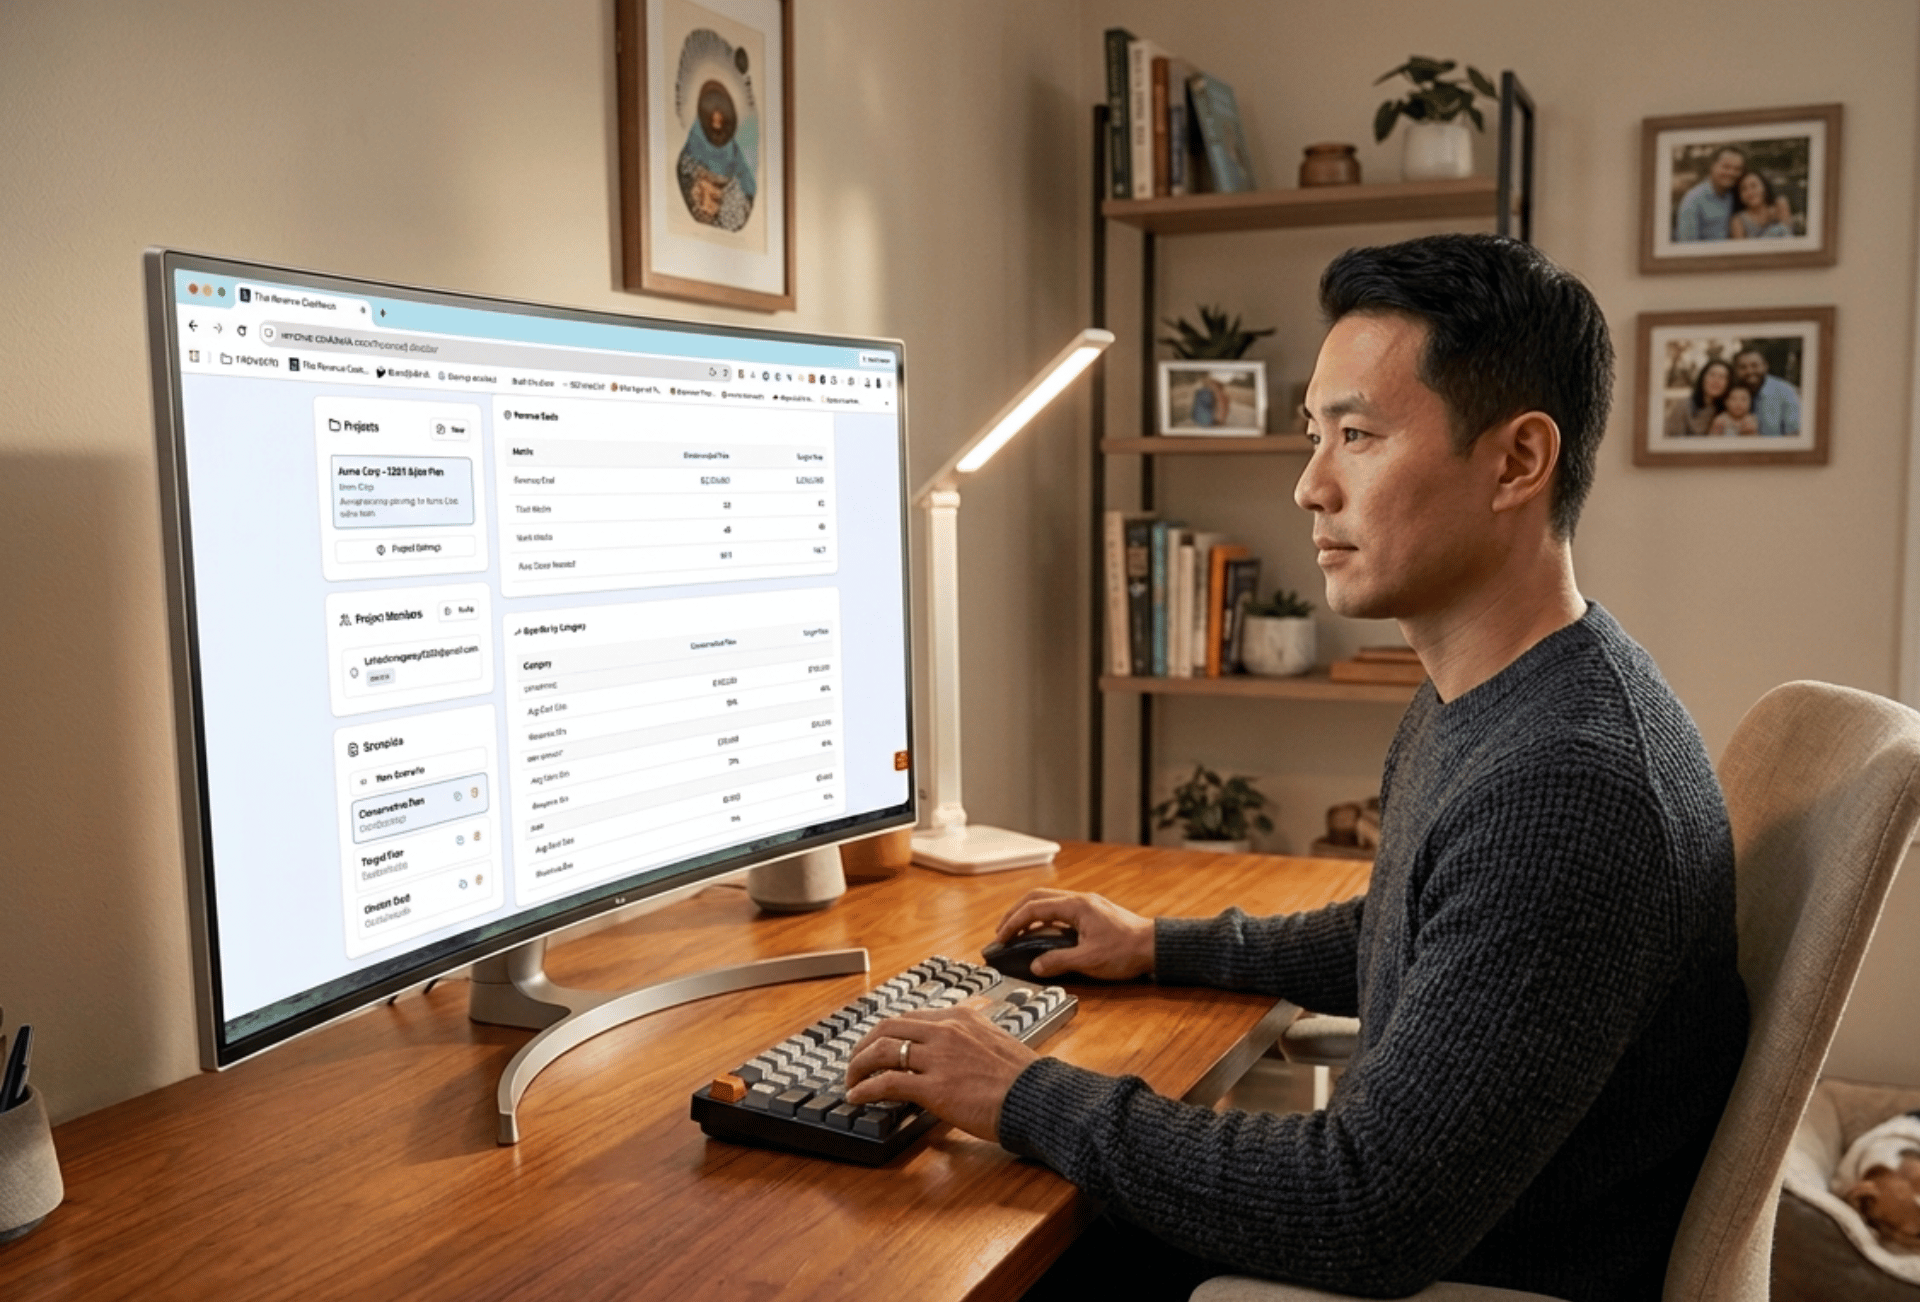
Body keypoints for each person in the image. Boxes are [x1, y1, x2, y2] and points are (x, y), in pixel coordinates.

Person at [843, 233, 1749, 1302]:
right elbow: (1404, 931)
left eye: (1357, 436)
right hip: (1456, 1237)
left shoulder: (1569, 788)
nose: (1309, 487)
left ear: (1518, 461)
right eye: (1315, 436)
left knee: (931, 1247)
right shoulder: (1506, 694)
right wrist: (1156, 944)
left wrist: (1027, 1092)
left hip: (1474, 1277)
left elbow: (1362, 1209)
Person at [677, 78, 756, 232]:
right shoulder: (690, 155)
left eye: (722, 119)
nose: (717, 124)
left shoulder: (734, 155)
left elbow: (747, 192)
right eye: (712, 118)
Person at [1672, 146, 1744, 241]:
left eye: (1737, 169)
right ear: (1712, 166)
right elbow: (1687, 246)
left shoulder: (1733, 194)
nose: (1732, 173)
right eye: (1726, 167)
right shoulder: (1693, 199)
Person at [1733, 347, 1802, 437]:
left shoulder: (1786, 391)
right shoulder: (1732, 392)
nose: (1749, 371)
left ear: (1765, 366)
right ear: (1736, 370)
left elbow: (1794, 434)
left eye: (1754, 365)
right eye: (1743, 367)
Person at [1666, 357, 1734, 438]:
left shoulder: (1730, 410)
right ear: (1702, 378)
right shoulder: (1683, 406)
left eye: (1722, 377)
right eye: (1712, 375)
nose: (1716, 380)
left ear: (1728, 383)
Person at [1728, 170, 1794, 239]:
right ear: (1739, 196)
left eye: (1754, 186)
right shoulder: (1738, 220)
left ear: (1764, 187)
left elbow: (1789, 236)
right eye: (1744, 189)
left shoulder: (1779, 206)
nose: (1750, 192)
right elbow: (1740, 248)